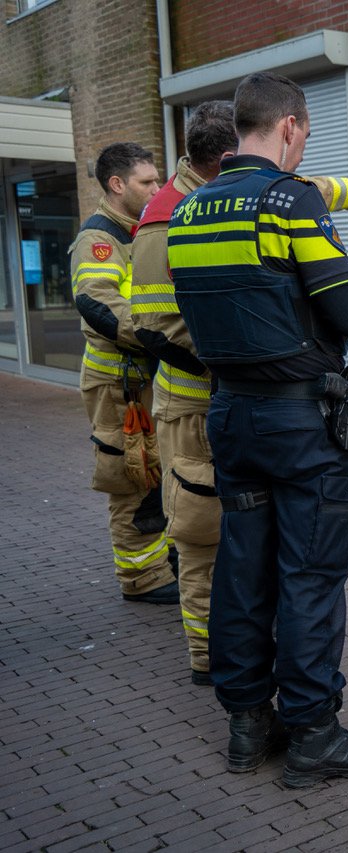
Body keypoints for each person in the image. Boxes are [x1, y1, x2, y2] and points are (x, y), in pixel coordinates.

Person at [167, 71, 348, 786]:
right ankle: (313, 732)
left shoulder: (188, 210)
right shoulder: (290, 201)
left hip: (230, 415)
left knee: (242, 567)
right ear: (290, 126)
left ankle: (247, 724)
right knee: (311, 574)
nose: (303, 147)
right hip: (301, 422)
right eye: (306, 134)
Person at [70, 142, 176, 604]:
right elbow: (96, 301)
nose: (156, 188)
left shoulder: (139, 230)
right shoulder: (99, 239)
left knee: (157, 472)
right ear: (117, 185)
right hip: (118, 386)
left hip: (145, 380)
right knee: (131, 478)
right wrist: (160, 335)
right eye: (146, 181)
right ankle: (142, 578)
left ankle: (162, 561)